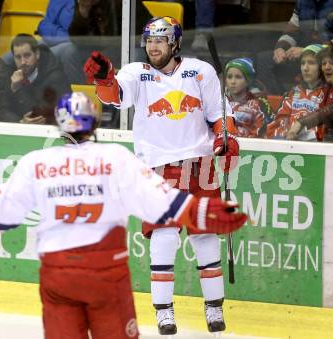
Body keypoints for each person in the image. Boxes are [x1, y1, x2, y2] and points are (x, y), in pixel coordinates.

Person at [0, 92, 247, 339]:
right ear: (94, 123)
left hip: (59, 279)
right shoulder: (115, 158)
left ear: (61, 124)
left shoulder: (38, 163)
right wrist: (205, 213)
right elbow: (160, 203)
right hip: (106, 276)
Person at [83, 16, 240, 335]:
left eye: (161, 40)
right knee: (164, 240)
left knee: (206, 239)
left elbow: (219, 115)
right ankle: (164, 312)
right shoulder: (135, 74)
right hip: (157, 168)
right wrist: (103, 78)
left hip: (200, 165)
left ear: (175, 43)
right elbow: (115, 95)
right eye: (150, 40)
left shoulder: (200, 71)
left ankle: (213, 308)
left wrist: (227, 137)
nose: (153, 46)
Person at [256, 0, 333, 94]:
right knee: (263, 59)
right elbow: (291, 33)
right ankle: (281, 100)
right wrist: (280, 48)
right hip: (301, 55)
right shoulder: (302, 3)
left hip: (328, 55)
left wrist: (308, 50)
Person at [287, 45, 333, 141]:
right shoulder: (329, 88)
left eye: (332, 63)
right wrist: (301, 122)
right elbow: (331, 113)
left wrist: (301, 122)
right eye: (324, 64)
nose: (327, 67)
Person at [267, 44, 333, 140]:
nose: (305, 68)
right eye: (303, 63)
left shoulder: (330, 93)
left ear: (322, 66)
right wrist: (286, 134)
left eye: (311, 63)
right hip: (289, 144)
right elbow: (279, 120)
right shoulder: (294, 92)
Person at [8, 33, 69, 124]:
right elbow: (2, 109)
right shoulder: (10, 73)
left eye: (27, 55)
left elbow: (37, 116)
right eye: (18, 57)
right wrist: (19, 122)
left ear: (37, 54)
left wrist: (18, 89)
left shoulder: (55, 78)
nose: (23, 62)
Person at [225, 57, 273, 138]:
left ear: (248, 81)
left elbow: (264, 131)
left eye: (238, 77)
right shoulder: (219, 103)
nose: (232, 82)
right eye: (229, 77)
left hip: (248, 147)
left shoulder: (259, 104)